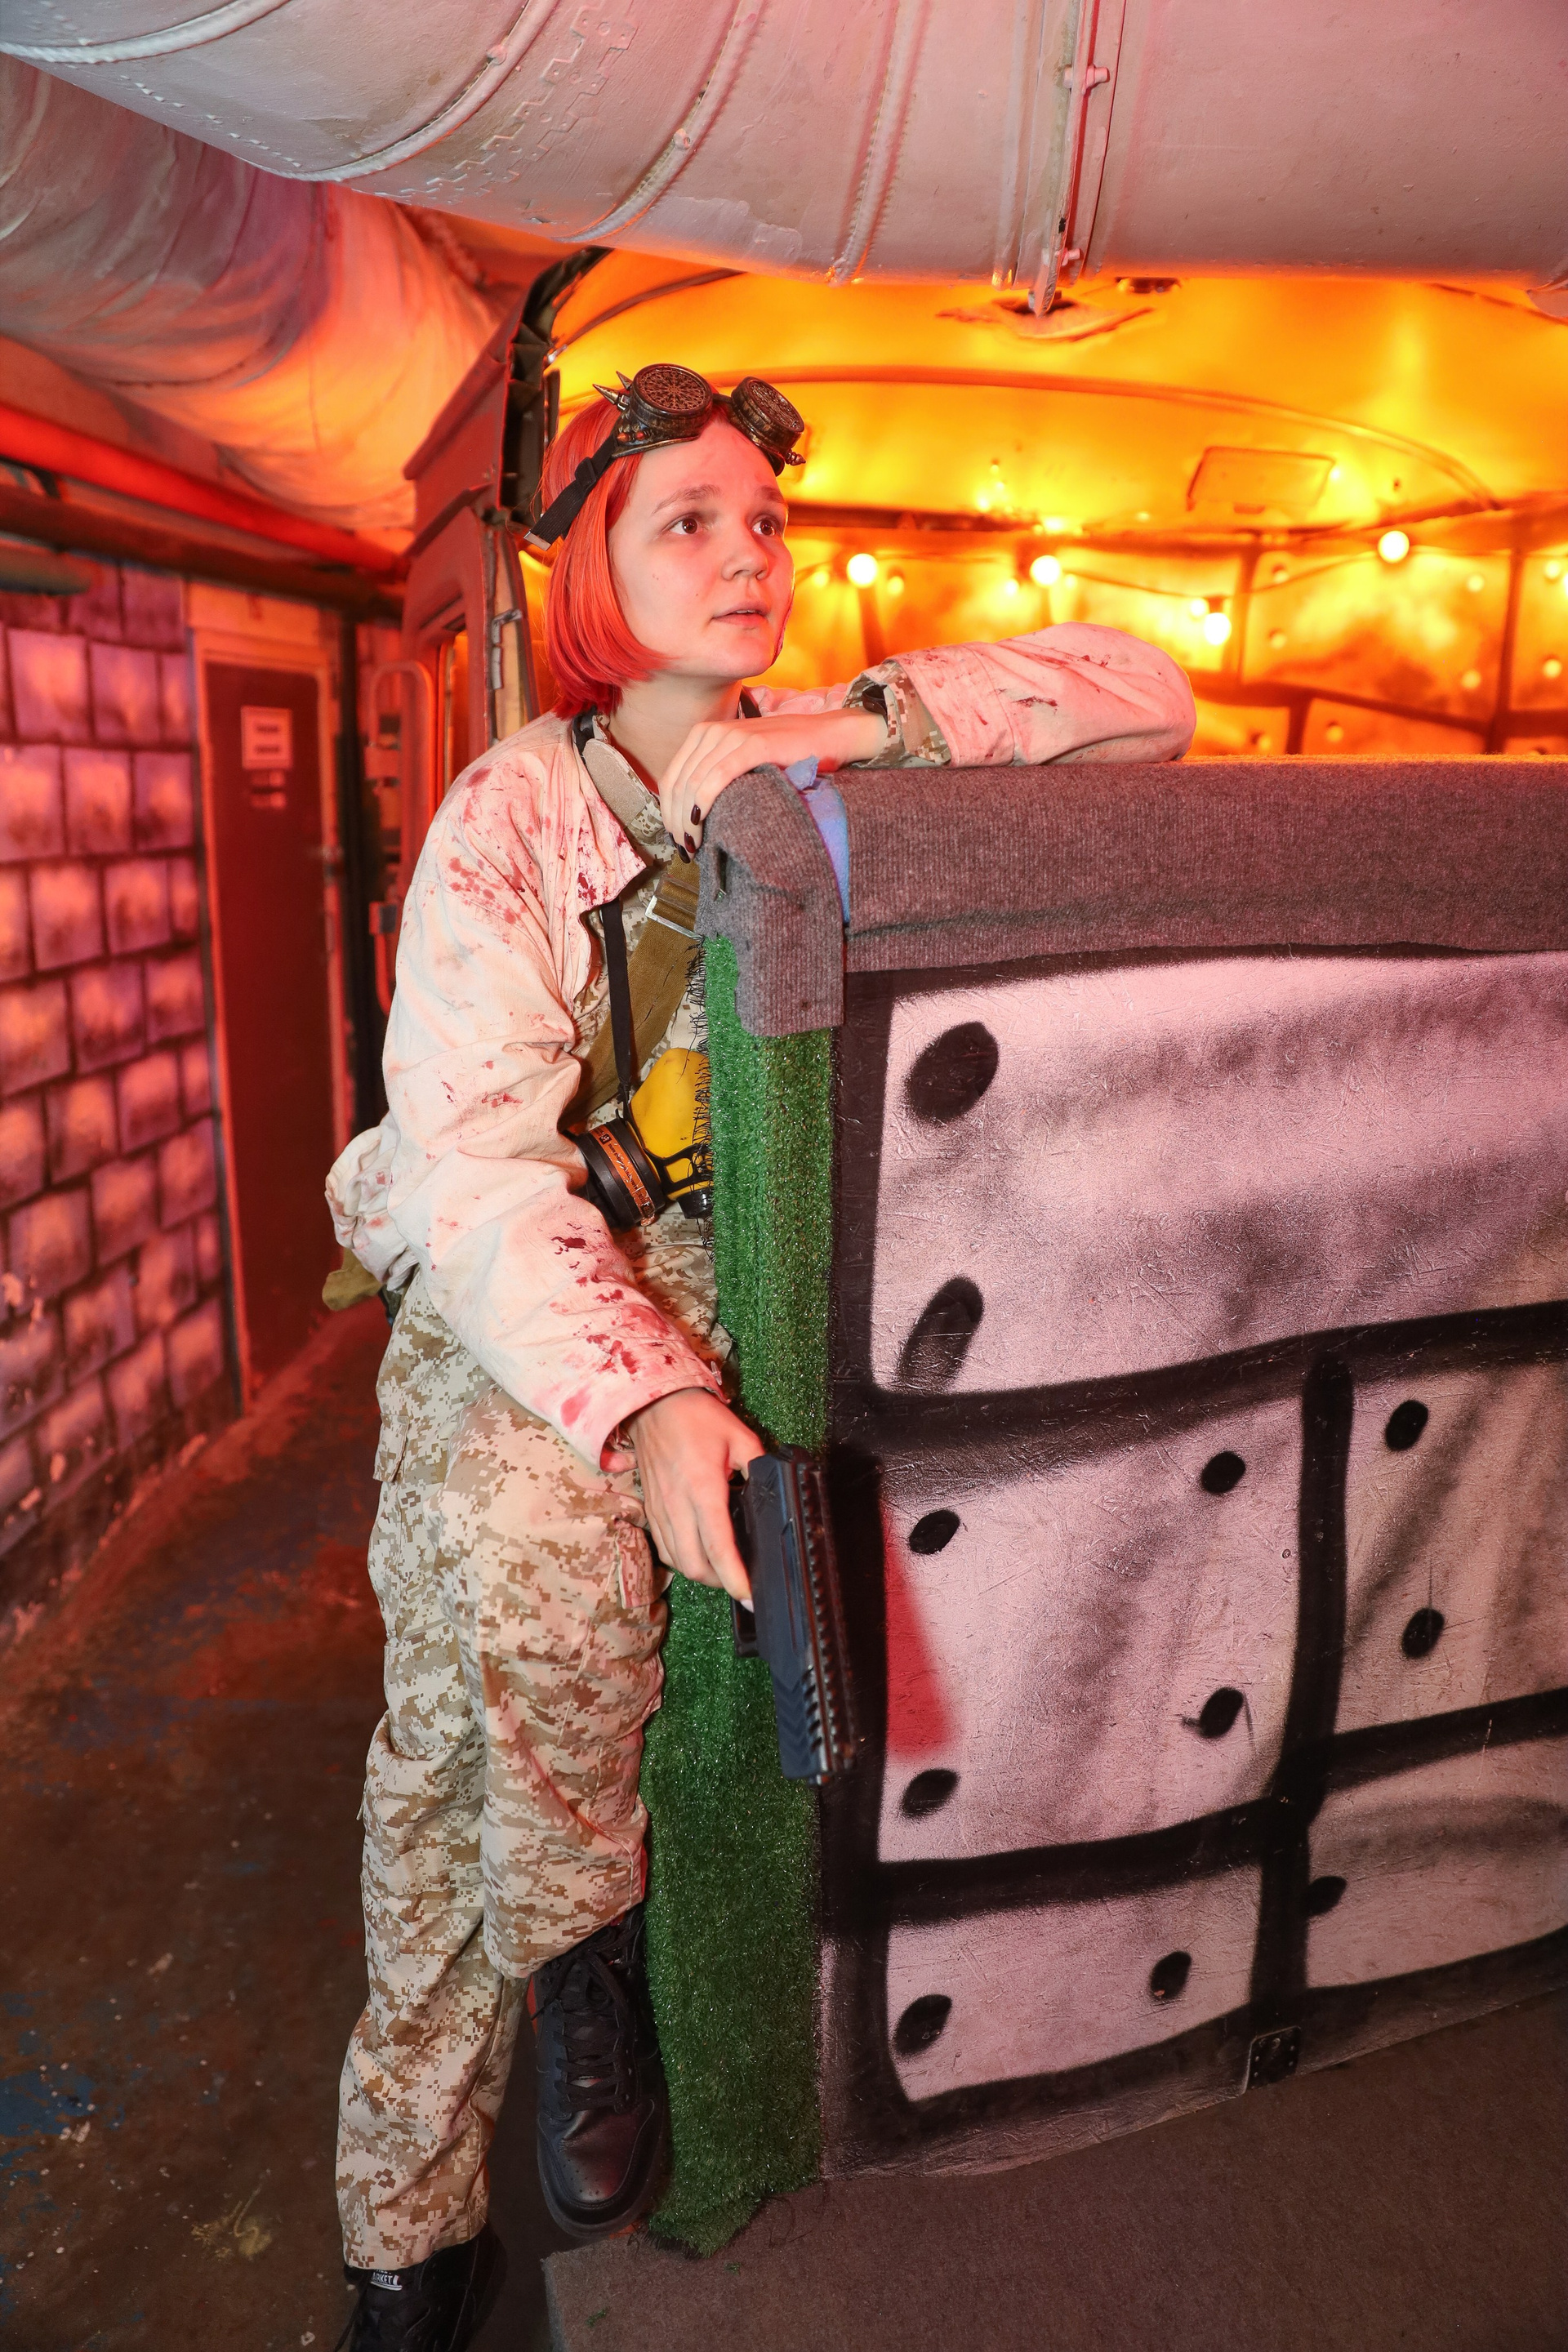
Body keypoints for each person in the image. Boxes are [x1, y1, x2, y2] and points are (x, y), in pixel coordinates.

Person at [325, 363, 1196, 2350]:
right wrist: (640, 1399)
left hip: (739, 1269)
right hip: (528, 1274)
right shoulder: (513, 815)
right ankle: (514, 2069)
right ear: (592, 575)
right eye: (687, 522)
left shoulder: (816, 752)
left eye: (766, 520)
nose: (747, 555)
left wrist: (855, 725)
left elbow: (1146, 693)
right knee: (483, 1654)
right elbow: (472, 1175)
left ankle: (435, 2209)